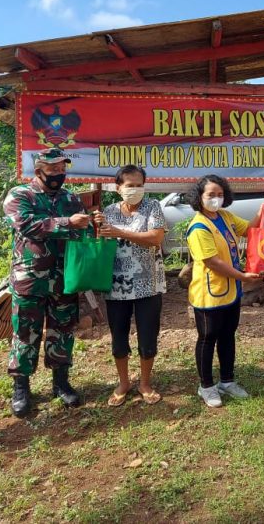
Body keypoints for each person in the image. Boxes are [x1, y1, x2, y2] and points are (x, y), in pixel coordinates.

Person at [2, 148, 92, 417]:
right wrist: (68, 222)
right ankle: (21, 387)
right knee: (25, 332)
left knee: (63, 329)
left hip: (64, 276)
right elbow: (27, 226)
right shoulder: (20, 195)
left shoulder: (71, 198)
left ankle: (61, 382)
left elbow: (82, 229)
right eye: (52, 170)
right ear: (38, 170)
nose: (58, 174)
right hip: (30, 277)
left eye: (62, 169)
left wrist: (90, 223)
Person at [185, 174, 264, 408]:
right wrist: (242, 276)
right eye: (211, 195)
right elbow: (212, 261)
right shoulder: (198, 226)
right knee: (208, 338)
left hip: (230, 291)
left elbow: (249, 231)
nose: (216, 199)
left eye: (220, 195)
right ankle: (206, 386)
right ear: (199, 197)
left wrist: (262, 210)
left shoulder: (226, 216)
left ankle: (227, 381)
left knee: (228, 336)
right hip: (208, 294)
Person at [95, 165, 167, 407]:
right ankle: (124, 382)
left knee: (148, 335)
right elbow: (102, 241)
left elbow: (156, 238)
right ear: (118, 189)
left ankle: (145, 383)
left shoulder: (153, 207)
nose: (135, 190)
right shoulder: (108, 211)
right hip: (116, 286)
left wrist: (119, 232)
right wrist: (99, 227)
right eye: (129, 185)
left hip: (149, 285)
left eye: (139, 185)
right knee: (119, 337)